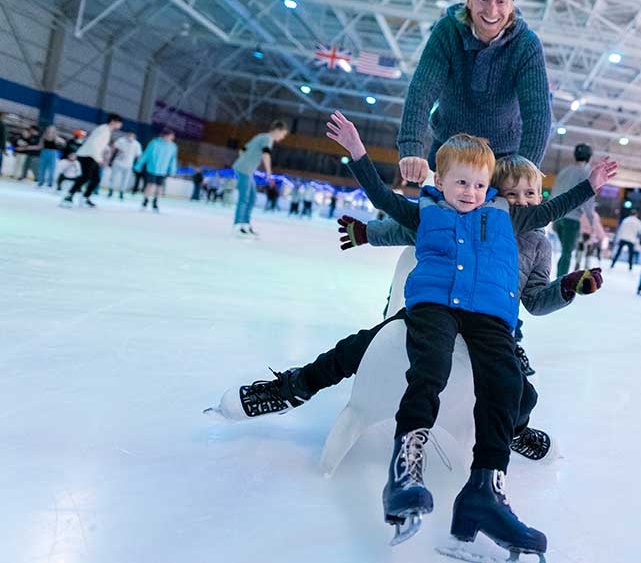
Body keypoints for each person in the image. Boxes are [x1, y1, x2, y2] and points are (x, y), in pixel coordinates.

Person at [325, 112, 616, 559]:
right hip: (437, 306)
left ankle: (485, 491)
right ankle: (407, 465)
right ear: (442, 181)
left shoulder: (511, 223)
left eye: (479, 186)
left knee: (510, 386)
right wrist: (360, 154)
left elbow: (550, 226)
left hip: (491, 318)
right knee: (431, 368)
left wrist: (590, 188)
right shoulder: (436, 211)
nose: (473, 193)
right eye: (465, 184)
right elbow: (388, 204)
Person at [206, 154, 605, 464]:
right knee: (360, 346)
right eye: (510, 195)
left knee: (520, 392)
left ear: (541, 199)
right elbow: (410, 227)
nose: (521, 203)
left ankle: (516, 430)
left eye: (530, 196)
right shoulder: (470, 218)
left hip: (493, 328)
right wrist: (368, 234)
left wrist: (567, 287)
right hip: (438, 310)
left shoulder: (538, 244)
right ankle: (293, 388)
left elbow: (535, 300)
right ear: (492, 195)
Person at [395, 0, 551, 184]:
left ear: (511, 6)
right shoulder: (447, 31)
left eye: (501, 1)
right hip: (448, 151)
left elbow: (538, 112)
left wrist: (525, 171)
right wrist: (410, 148)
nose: (491, 10)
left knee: (494, 221)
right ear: (469, 0)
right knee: (435, 219)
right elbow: (422, 90)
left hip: (503, 159)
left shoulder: (526, 45)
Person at [232, 121, 288, 237]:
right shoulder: (268, 139)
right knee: (245, 198)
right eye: (283, 134)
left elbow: (242, 150)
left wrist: (247, 160)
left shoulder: (260, 137)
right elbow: (266, 154)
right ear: (278, 130)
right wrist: (268, 172)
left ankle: (245, 224)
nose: (283, 137)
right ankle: (238, 225)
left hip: (246, 170)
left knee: (252, 198)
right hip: (244, 170)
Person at [61, 114, 122, 208]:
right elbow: (94, 144)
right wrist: (99, 159)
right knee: (85, 177)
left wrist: (104, 152)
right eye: (119, 123)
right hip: (87, 155)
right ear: (113, 121)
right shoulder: (103, 129)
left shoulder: (106, 130)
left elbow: (99, 144)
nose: (120, 125)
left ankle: (85, 198)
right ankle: (69, 196)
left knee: (95, 179)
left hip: (91, 155)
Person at [552, 144, 595, 274]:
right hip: (572, 219)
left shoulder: (564, 171)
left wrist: (553, 217)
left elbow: (554, 192)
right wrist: (591, 220)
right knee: (567, 253)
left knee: (565, 252)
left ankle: (560, 279)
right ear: (589, 157)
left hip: (559, 217)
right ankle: (561, 283)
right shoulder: (586, 173)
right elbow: (587, 198)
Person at [134, 128, 178, 213]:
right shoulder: (154, 143)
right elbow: (146, 154)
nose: (171, 138)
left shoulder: (173, 146)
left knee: (159, 187)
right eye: (170, 136)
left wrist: (172, 170)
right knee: (150, 185)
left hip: (163, 170)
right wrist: (139, 165)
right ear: (165, 135)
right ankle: (145, 201)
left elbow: (173, 159)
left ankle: (155, 201)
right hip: (152, 168)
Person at [107, 131, 141, 200]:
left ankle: (121, 193)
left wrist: (138, 165)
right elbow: (114, 148)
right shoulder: (121, 140)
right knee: (113, 177)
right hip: (118, 162)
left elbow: (138, 155)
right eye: (129, 134)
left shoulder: (136, 144)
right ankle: (111, 190)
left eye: (132, 135)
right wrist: (111, 159)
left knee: (125, 180)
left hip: (129, 164)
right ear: (127, 134)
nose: (130, 136)